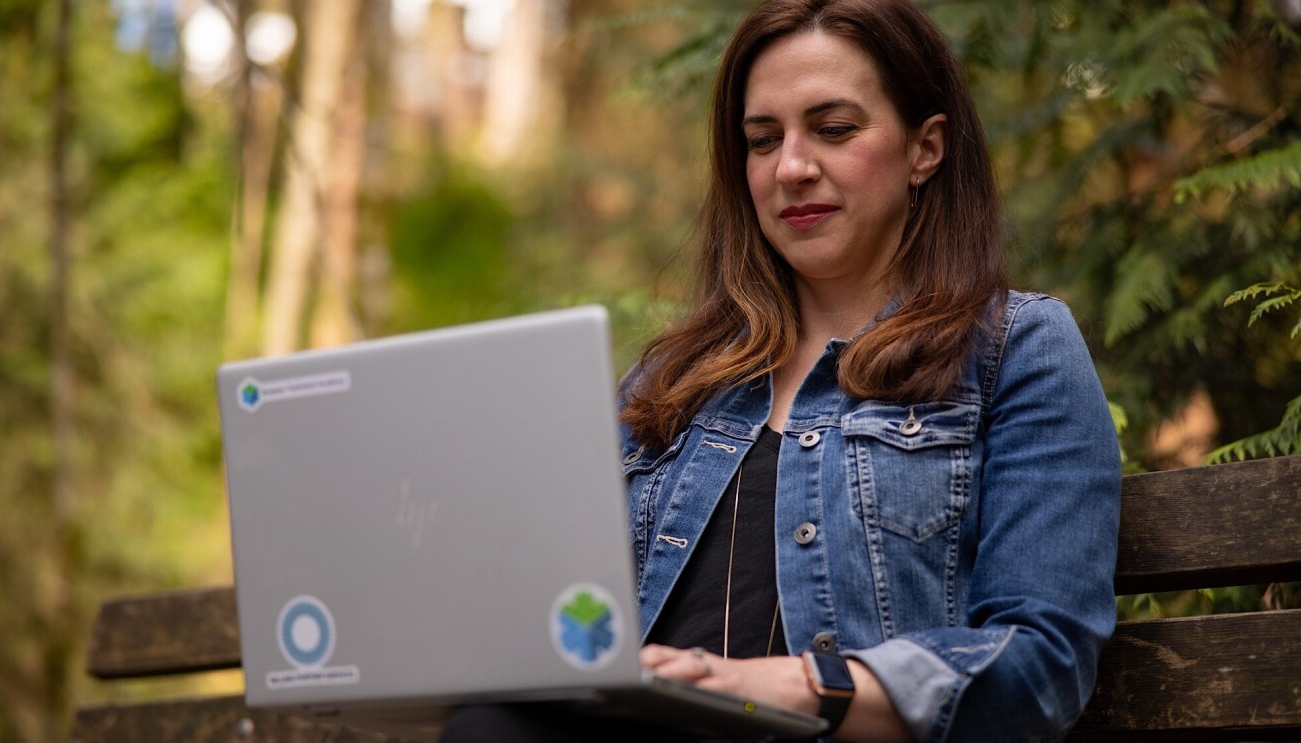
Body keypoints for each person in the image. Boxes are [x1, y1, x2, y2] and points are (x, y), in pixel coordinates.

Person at [444, 0, 1120, 740]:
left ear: (925, 148)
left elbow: (1040, 661)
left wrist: (782, 685)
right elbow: (566, 618)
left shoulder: (1015, 349)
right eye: (763, 140)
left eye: (833, 129)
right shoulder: (670, 381)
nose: (792, 167)